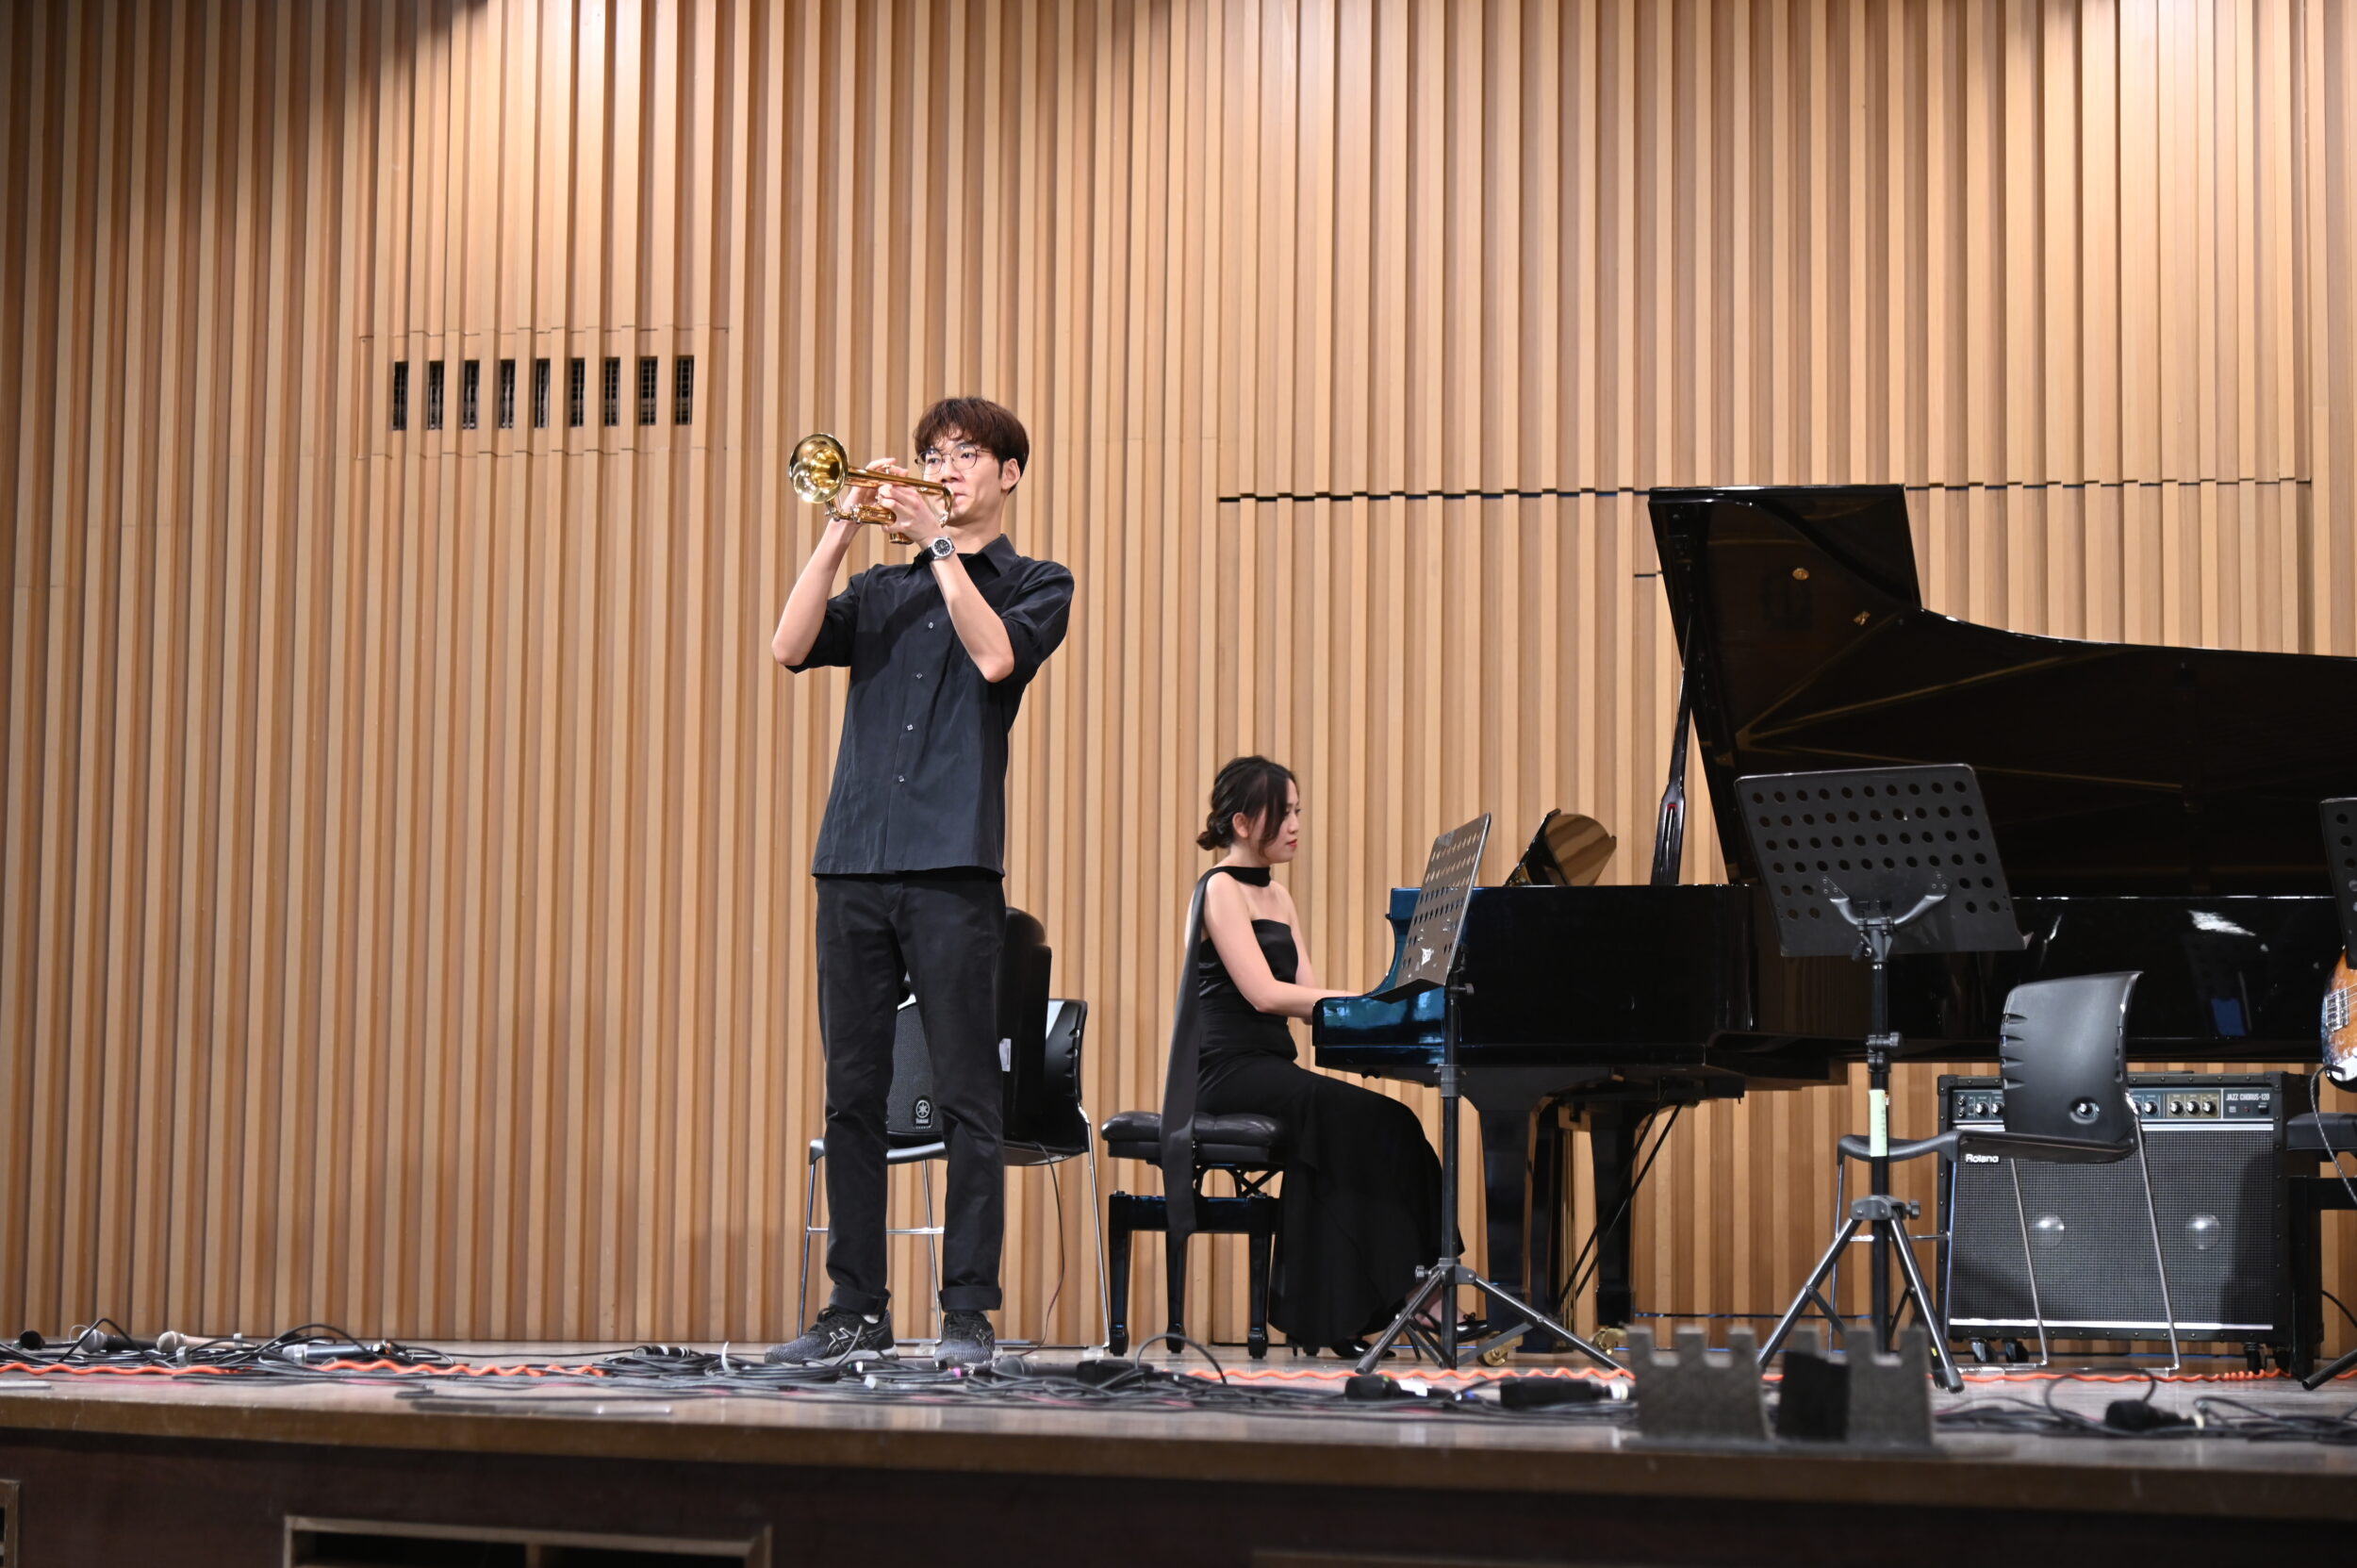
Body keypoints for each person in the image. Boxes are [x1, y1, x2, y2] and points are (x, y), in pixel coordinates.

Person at [766, 397, 1073, 1367]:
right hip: (852, 859)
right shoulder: (880, 590)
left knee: (968, 1094)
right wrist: (839, 527)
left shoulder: (1037, 581)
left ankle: (967, 1312)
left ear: (1008, 473)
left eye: (964, 454)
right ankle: (854, 1306)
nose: (943, 468)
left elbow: (996, 656)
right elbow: (787, 645)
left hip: (951, 865)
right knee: (851, 1094)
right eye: (933, 454)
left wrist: (940, 546)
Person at [1190, 756, 1448, 1355]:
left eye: (1297, 812)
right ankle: (1420, 1294)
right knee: (1367, 1120)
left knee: (1390, 1122)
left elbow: (1310, 996)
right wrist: (1367, 1000)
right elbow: (1266, 994)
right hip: (1227, 1071)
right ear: (1242, 822)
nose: (1296, 826)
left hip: (1271, 1069)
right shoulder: (1219, 889)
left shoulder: (1278, 895)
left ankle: (1358, 1308)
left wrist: (1382, 1006)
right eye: (1284, 813)